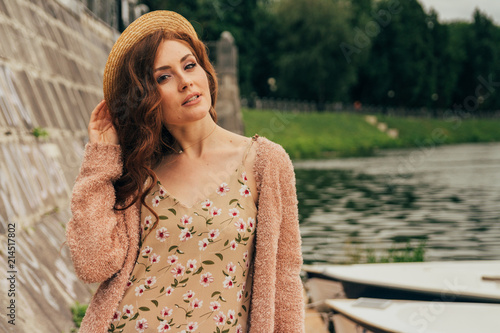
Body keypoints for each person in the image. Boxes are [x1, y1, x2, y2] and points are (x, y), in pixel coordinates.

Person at [65, 10, 304, 333]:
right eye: (164, 77)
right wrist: (101, 157)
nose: (185, 81)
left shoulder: (265, 162)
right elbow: (93, 264)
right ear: (146, 97)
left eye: (189, 65)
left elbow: (284, 280)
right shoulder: (140, 174)